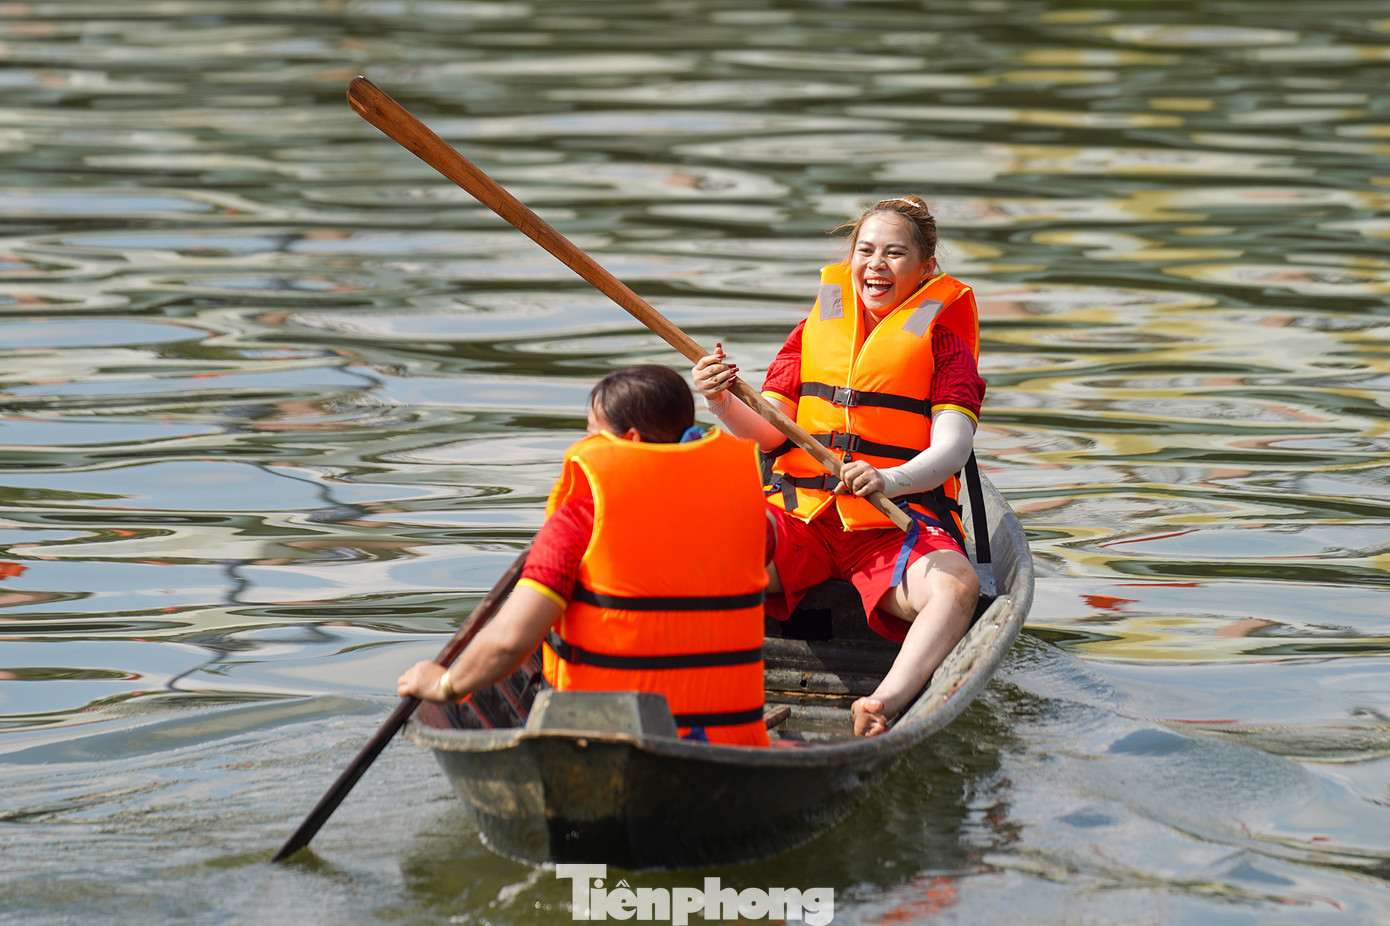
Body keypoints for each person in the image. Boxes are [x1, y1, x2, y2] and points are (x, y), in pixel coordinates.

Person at [692, 195, 984, 737]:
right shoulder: (813, 329)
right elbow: (770, 433)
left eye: (895, 254)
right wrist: (722, 402)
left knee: (958, 587)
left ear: (927, 269)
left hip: (889, 527)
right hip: (799, 518)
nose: (876, 264)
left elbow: (953, 447)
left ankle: (882, 703)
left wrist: (889, 480)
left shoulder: (945, 342)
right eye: (866, 250)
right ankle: (693, 684)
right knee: (700, 543)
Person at [398, 364, 774, 747]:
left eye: (593, 433)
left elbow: (510, 642)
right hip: (730, 741)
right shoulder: (745, 505)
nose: (586, 441)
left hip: (604, 743)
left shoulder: (579, 517)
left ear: (629, 438)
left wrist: (444, 684)